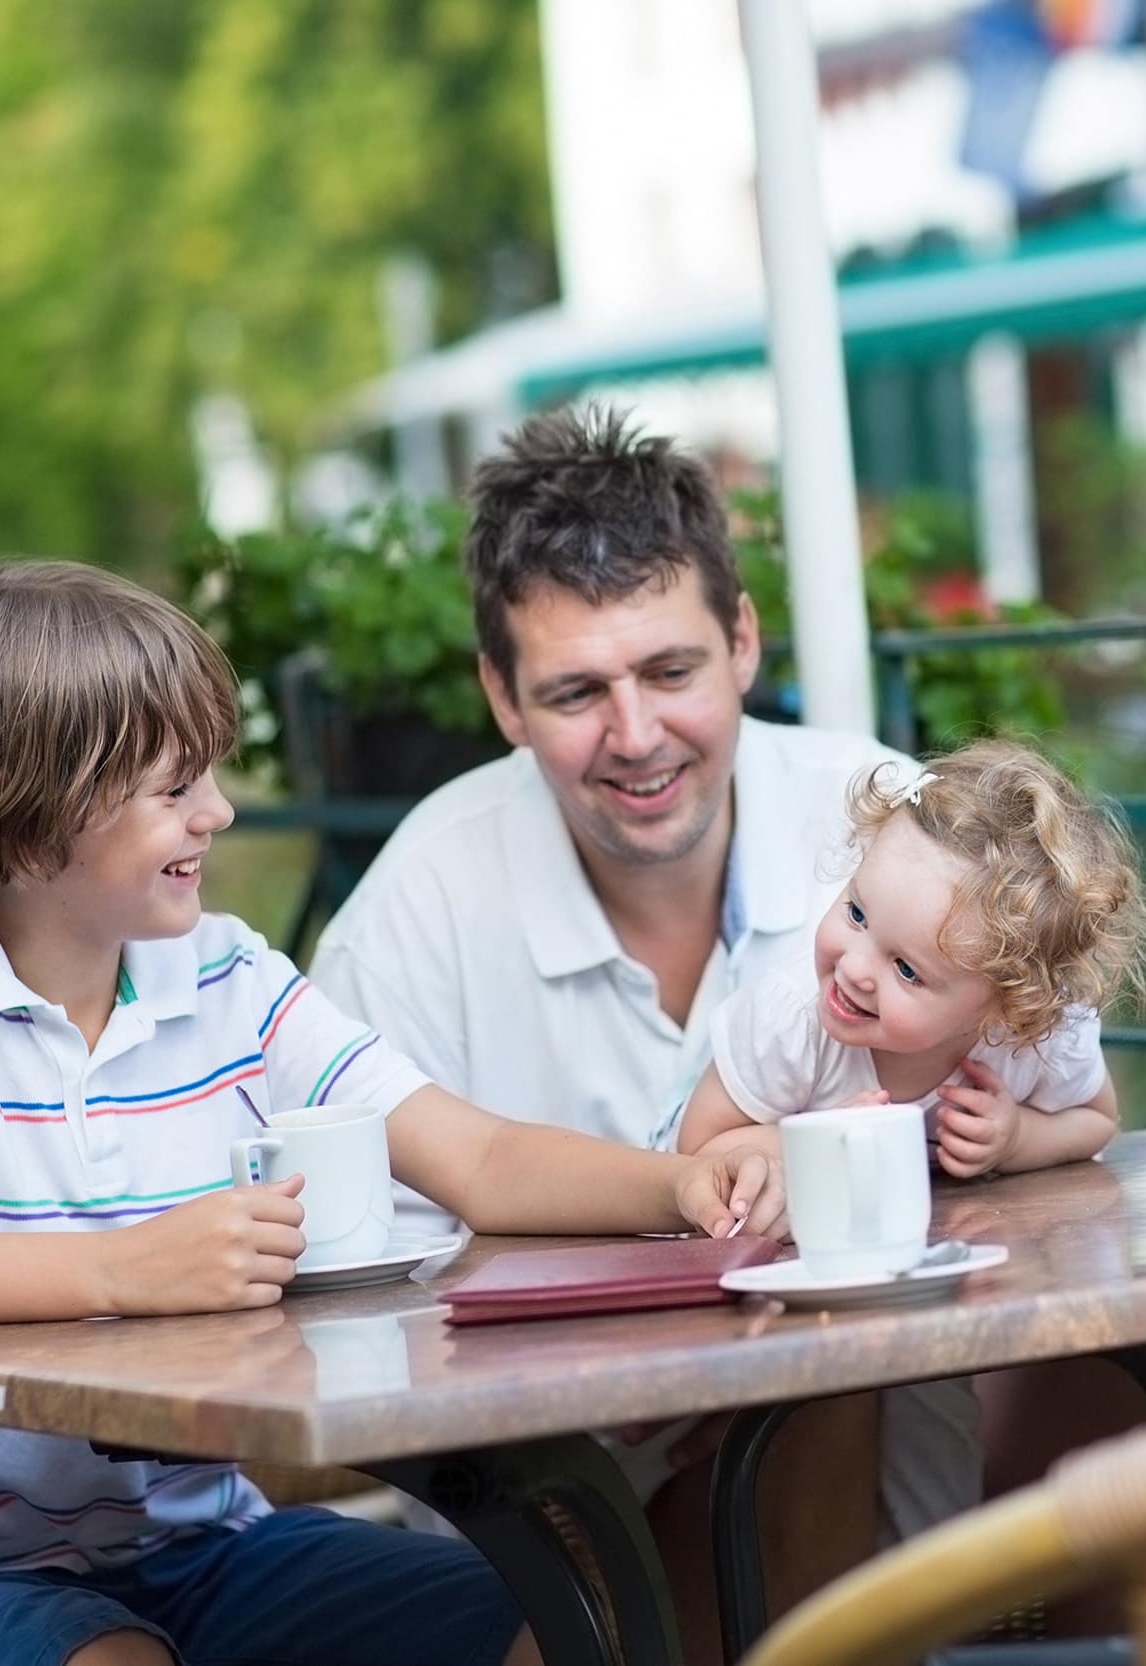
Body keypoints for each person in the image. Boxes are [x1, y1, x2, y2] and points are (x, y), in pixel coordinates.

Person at [0, 560, 773, 1666]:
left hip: (205, 1545)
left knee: (564, 1615)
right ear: (9, 813)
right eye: (172, 788)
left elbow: (474, 1156)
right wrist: (118, 1273)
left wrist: (674, 1184)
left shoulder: (227, 975)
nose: (219, 810)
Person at [310, 404, 917, 1656]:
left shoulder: (884, 830)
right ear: (499, 697)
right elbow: (358, 1330)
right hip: (556, 1503)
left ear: (743, 641)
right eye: (577, 691)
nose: (635, 735)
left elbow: (1047, 1116)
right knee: (804, 1392)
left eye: (670, 671)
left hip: (905, 1424)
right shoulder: (411, 917)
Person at [677, 739, 1146, 1177]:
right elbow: (697, 1146)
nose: (853, 969)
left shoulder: (1037, 1039)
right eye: (856, 913)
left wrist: (1017, 1139)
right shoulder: (792, 1018)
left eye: (907, 970)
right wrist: (813, 1144)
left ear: (1008, 1009)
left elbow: (1096, 1121)